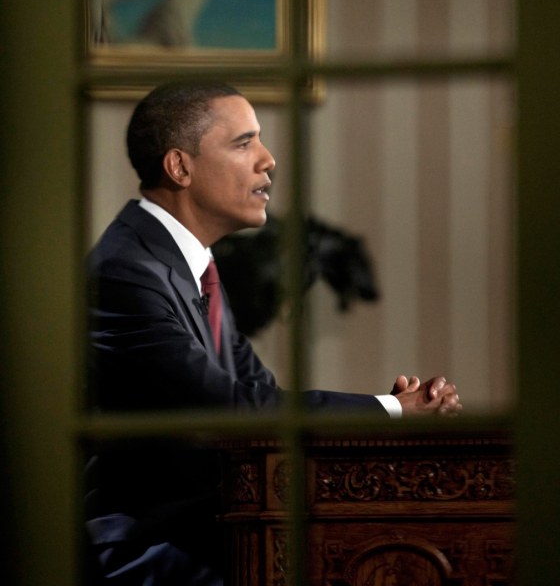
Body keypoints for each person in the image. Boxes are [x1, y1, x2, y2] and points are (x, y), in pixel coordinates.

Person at [86, 81, 461, 585]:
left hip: (205, 532)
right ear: (180, 167)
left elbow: (259, 396)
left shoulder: (186, 263)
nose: (268, 160)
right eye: (244, 143)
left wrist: (392, 412)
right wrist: (391, 410)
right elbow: (230, 411)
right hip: (144, 552)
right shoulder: (125, 272)